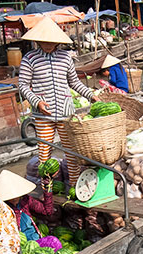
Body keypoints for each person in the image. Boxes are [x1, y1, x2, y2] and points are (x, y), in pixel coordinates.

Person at [17, 18, 101, 183]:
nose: (48, 45)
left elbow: (74, 82)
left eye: (51, 42)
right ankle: (48, 190)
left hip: (65, 113)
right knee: (44, 155)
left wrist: (91, 95)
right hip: (43, 116)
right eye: (44, 41)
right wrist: (37, 102)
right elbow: (23, 86)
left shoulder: (65, 57)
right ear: (38, 40)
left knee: (71, 153)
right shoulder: (30, 58)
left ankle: (75, 185)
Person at [0, 169, 50, 244]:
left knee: (53, 241)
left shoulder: (26, 200)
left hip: (35, 239)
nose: (14, 198)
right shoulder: (1, 208)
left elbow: (47, 211)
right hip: (18, 244)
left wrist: (47, 190)